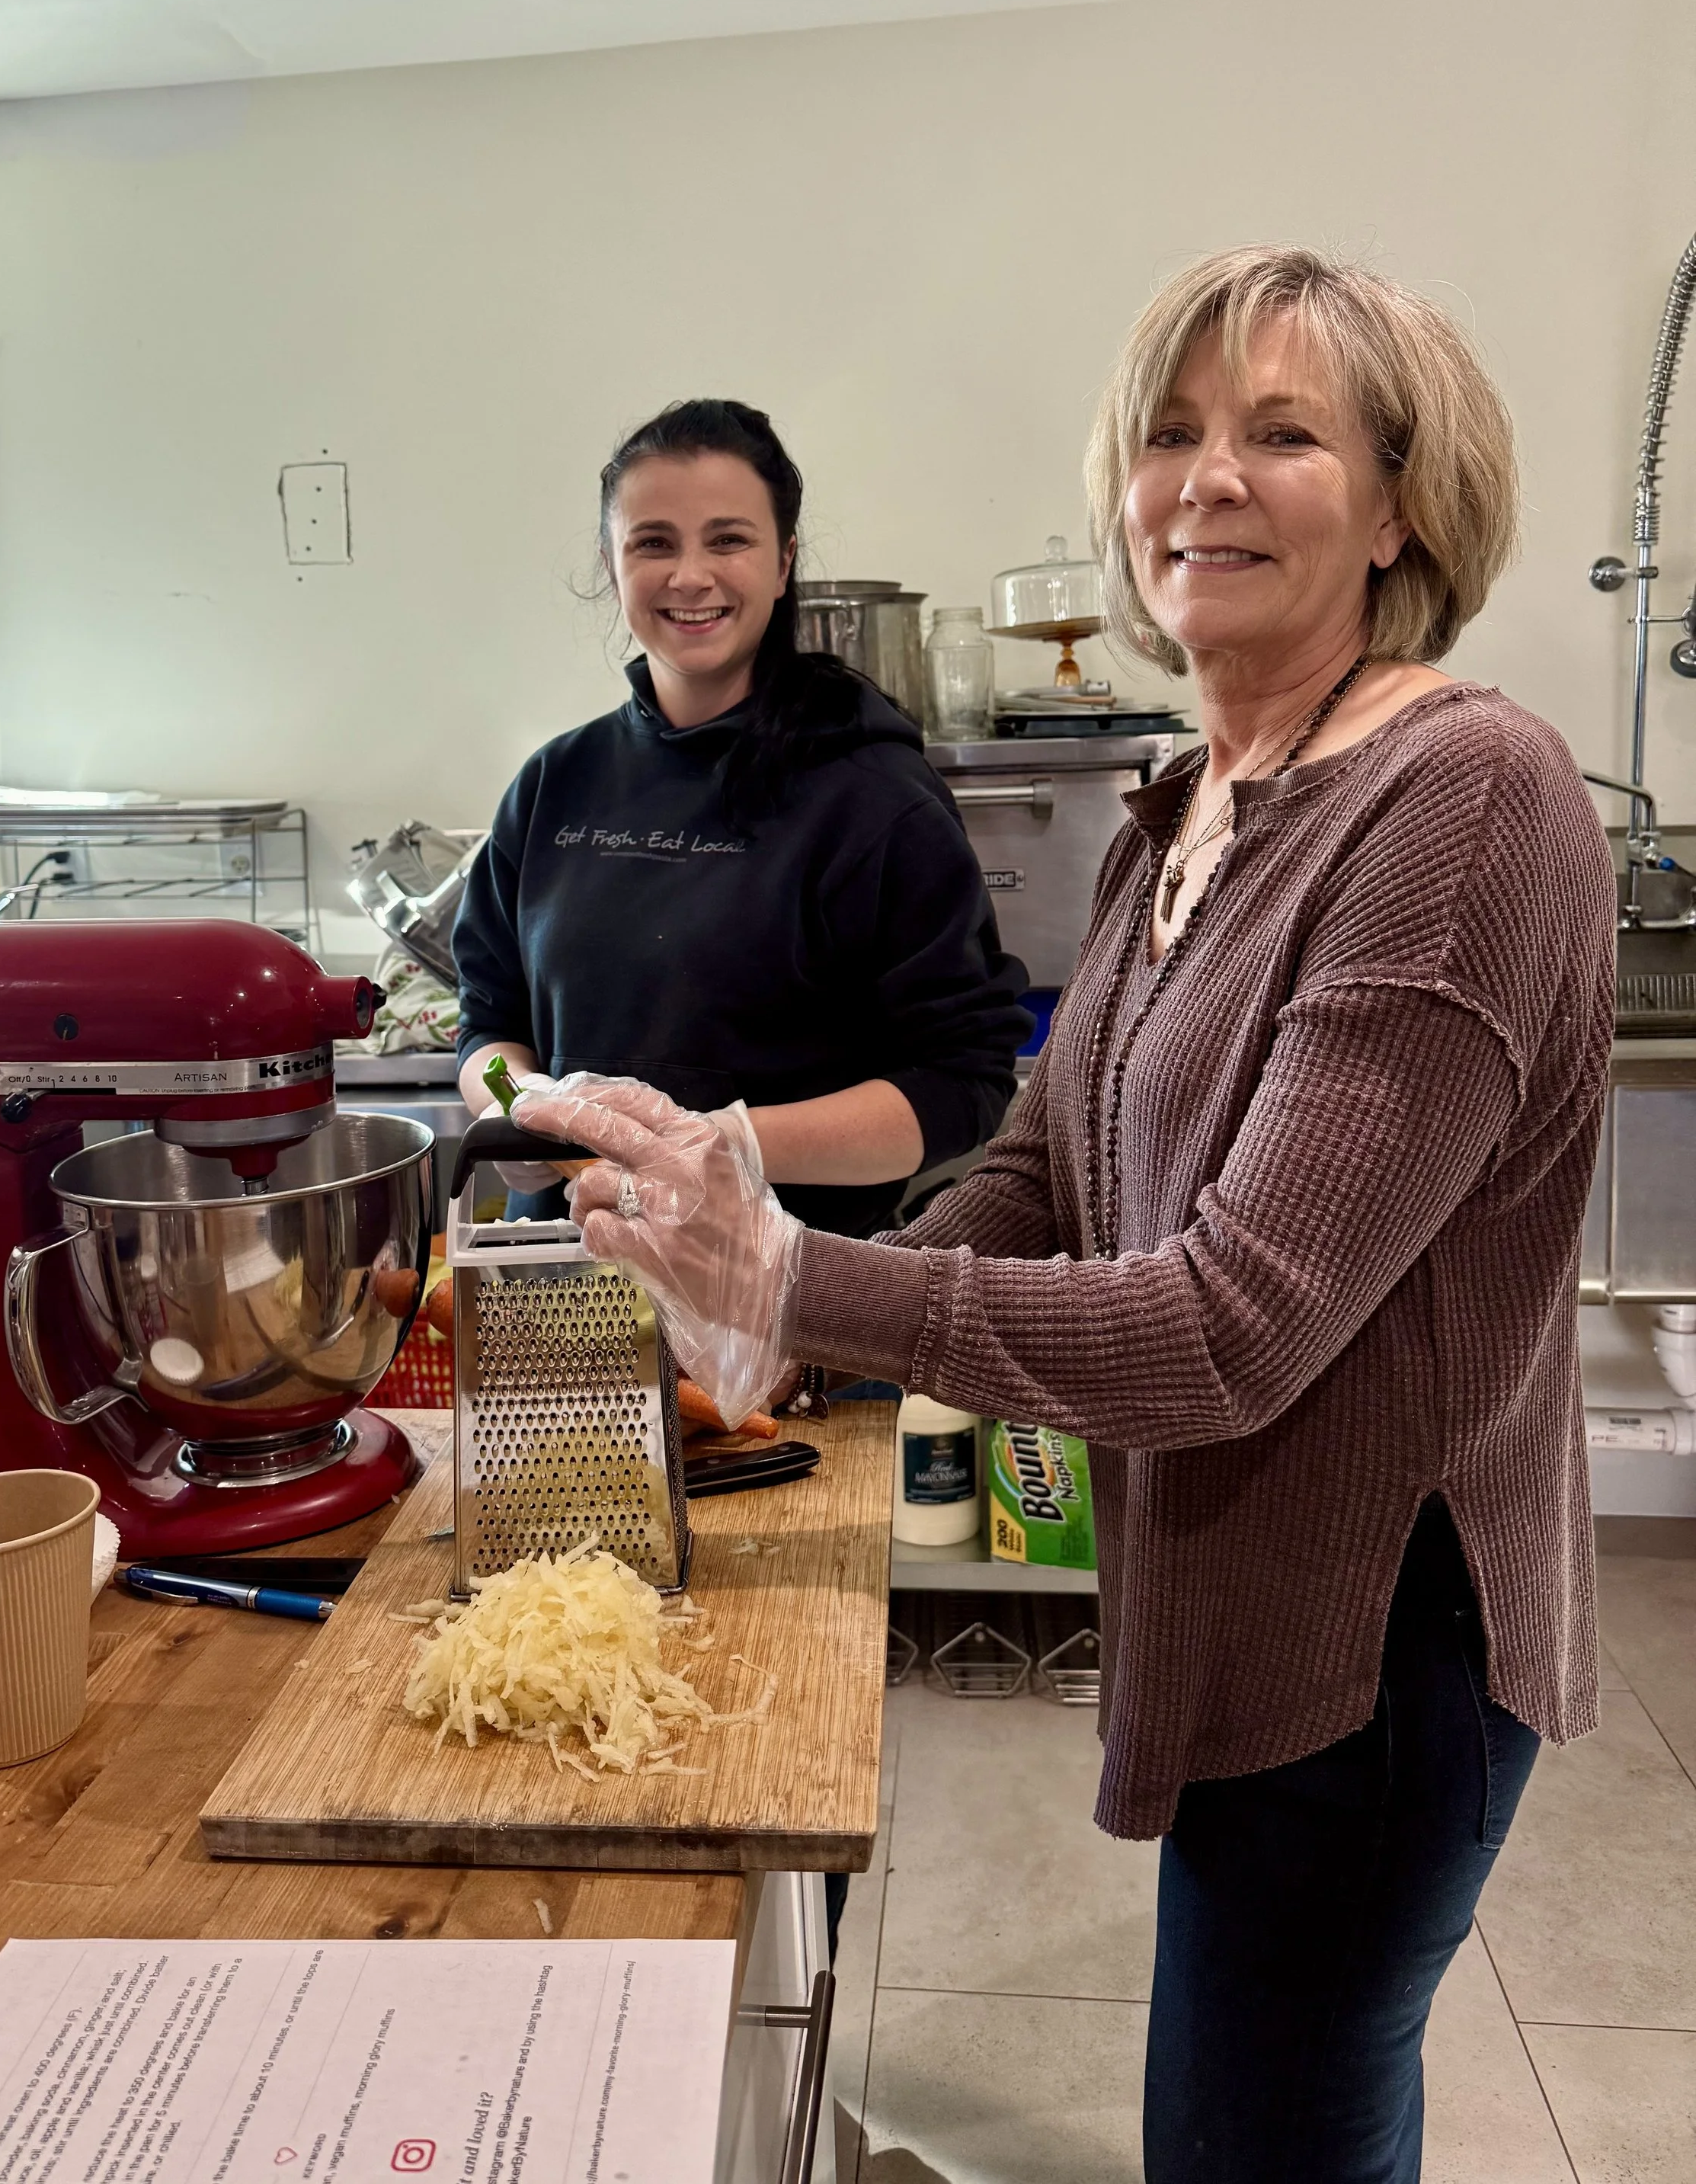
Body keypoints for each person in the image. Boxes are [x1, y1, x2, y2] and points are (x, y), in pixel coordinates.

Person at [518, 251, 1617, 2184]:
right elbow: (1044, 1163)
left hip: (1377, 1650)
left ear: (1401, 503)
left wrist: (801, 1274)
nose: (1206, 478)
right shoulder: (1190, 800)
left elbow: (1228, 1327)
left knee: (1257, 2134)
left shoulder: (1462, 801)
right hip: (1236, 1610)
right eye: (1169, 433)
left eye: (1281, 434)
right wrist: (792, 1302)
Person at [452, 395, 1029, 1247]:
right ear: (613, 567)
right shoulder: (553, 786)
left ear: (784, 560)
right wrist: (522, 1107)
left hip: (796, 1305)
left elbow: (962, 1085)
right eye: (653, 543)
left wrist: (721, 1145)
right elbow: (488, 1023)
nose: (690, 576)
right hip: (571, 1279)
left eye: (728, 539)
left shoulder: (872, 797)